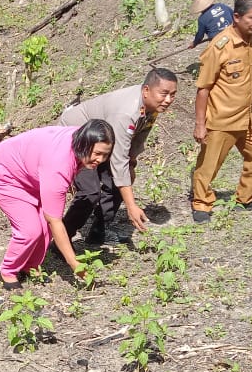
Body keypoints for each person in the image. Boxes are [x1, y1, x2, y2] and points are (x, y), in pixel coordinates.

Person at [0, 120, 115, 289]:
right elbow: (56, 221)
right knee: (29, 230)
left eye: (105, 155)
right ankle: (8, 270)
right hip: (5, 171)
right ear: (85, 142)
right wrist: (74, 264)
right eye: (97, 153)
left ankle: (29, 265)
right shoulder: (59, 165)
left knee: (45, 226)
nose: (100, 159)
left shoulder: (81, 140)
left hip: (32, 172)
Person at [57, 68, 178, 244]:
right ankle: (62, 241)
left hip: (103, 141)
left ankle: (99, 231)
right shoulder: (126, 113)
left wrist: (132, 163)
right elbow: (118, 160)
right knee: (90, 191)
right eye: (164, 94)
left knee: (121, 180)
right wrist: (131, 206)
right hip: (76, 139)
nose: (168, 100)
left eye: (172, 95)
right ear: (146, 90)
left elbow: (138, 137)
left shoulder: (152, 105)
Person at [191, 0, 252, 223]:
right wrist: (200, 124)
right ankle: (201, 203)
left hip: (249, 117)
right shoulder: (220, 47)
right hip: (222, 119)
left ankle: (247, 197)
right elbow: (203, 88)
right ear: (236, 17)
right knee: (209, 166)